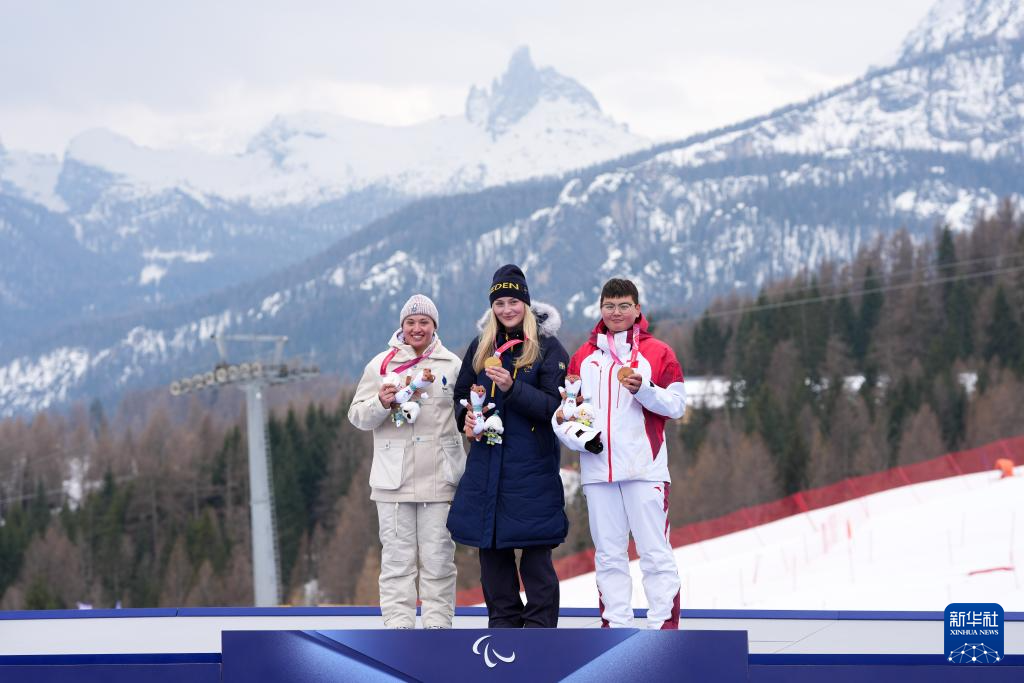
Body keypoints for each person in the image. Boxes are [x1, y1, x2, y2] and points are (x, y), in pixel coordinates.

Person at [552, 278, 686, 629]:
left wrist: (645, 389)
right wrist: (582, 440)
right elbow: (566, 414)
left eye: (624, 306)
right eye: (609, 306)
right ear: (600, 309)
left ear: (637, 309)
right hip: (599, 473)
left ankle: (663, 629)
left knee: (654, 553)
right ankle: (615, 627)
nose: (616, 312)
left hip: (644, 469)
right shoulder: (583, 357)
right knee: (609, 556)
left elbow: (677, 406)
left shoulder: (659, 353)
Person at [446, 264, 569, 628]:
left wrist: (512, 389)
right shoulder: (481, 345)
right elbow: (461, 394)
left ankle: (540, 634)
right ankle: (502, 631)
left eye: (513, 301)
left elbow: (555, 408)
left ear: (526, 304)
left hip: (531, 471)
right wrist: (466, 418)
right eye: (499, 303)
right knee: (493, 560)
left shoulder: (548, 348)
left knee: (536, 561)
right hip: (487, 469)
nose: (507, 309)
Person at [347, 294, 466, 629]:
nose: (417, 328)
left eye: (424, 322)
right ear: (401, 326)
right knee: (397, 561)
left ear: (434, 326)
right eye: (410, 322)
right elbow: (357, 415)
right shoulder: (380, 365)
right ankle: (398, 627)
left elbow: (466, 413)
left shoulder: (451, 365)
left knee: (439, 559)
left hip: (440, 478)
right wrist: (380, 403)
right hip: (393, 480)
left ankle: (438, 626)